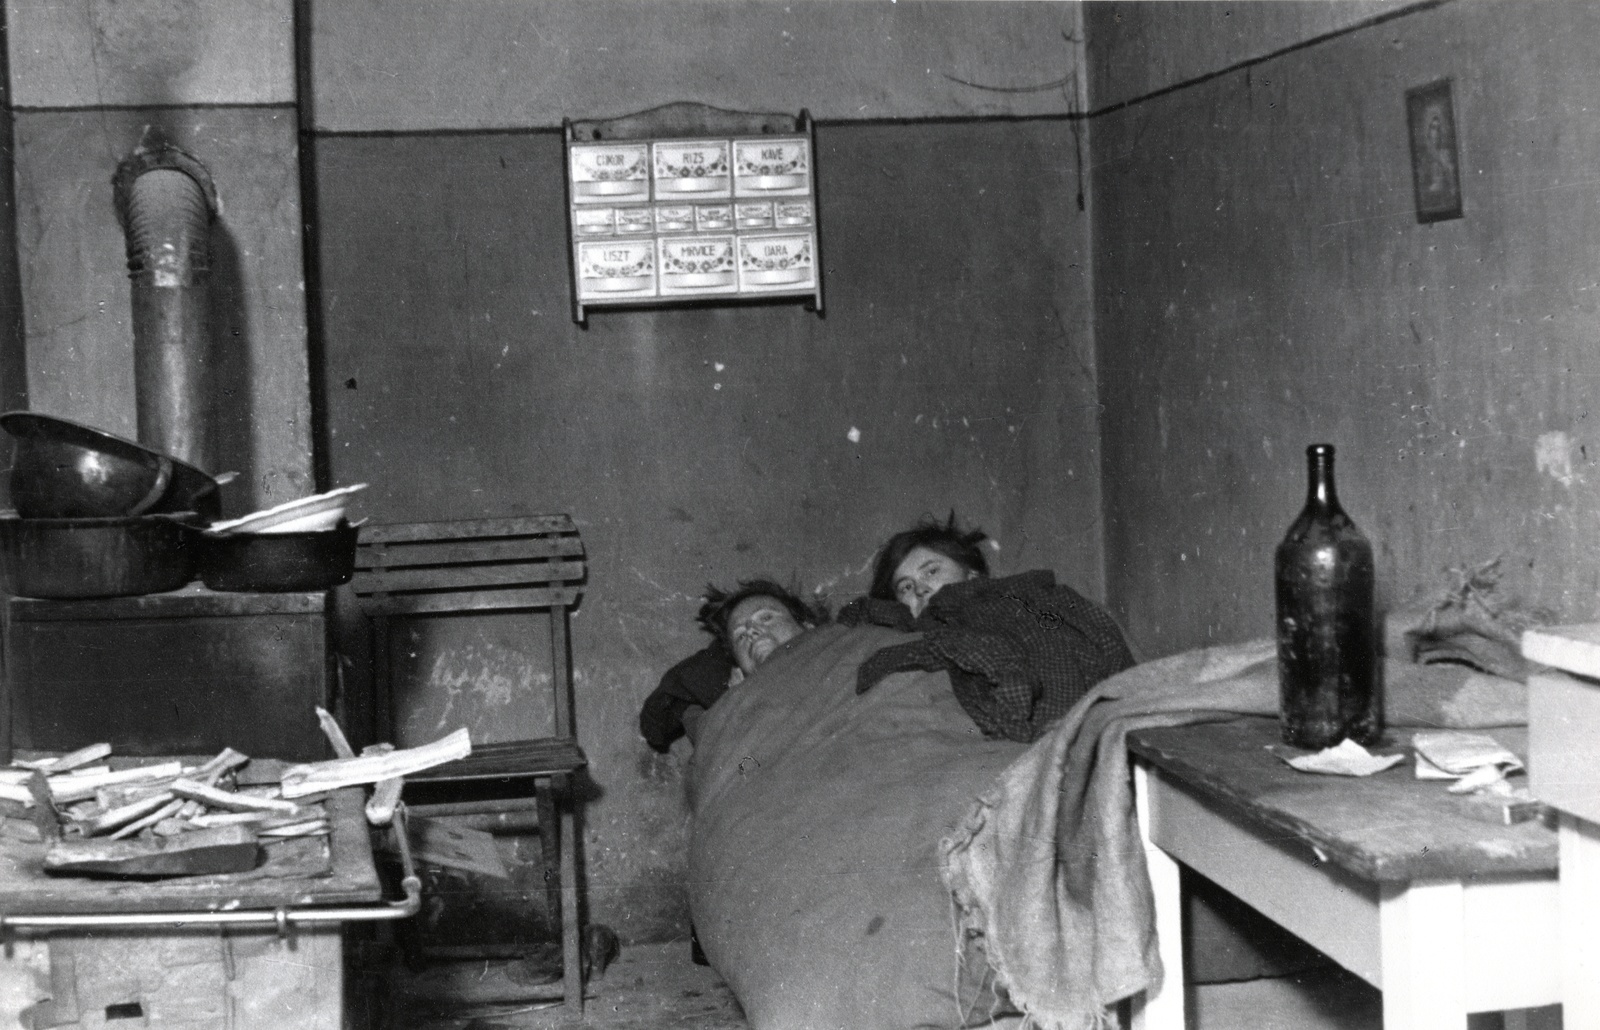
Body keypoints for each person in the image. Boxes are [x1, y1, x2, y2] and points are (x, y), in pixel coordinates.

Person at [842, 513, 1136, 743]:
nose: (920, 588)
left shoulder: (992, 602)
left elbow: (997, 659)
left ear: (971, 573)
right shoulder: (936, 620)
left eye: (932, 571)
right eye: (905, 587)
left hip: (1064, 717)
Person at [638, 578, 825, 753]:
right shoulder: (730, 726)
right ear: (738, 673)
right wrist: (733, 706)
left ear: (809, 627)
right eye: (741, 635)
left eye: (767, 617)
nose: (752, 630)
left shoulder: (843, 648)